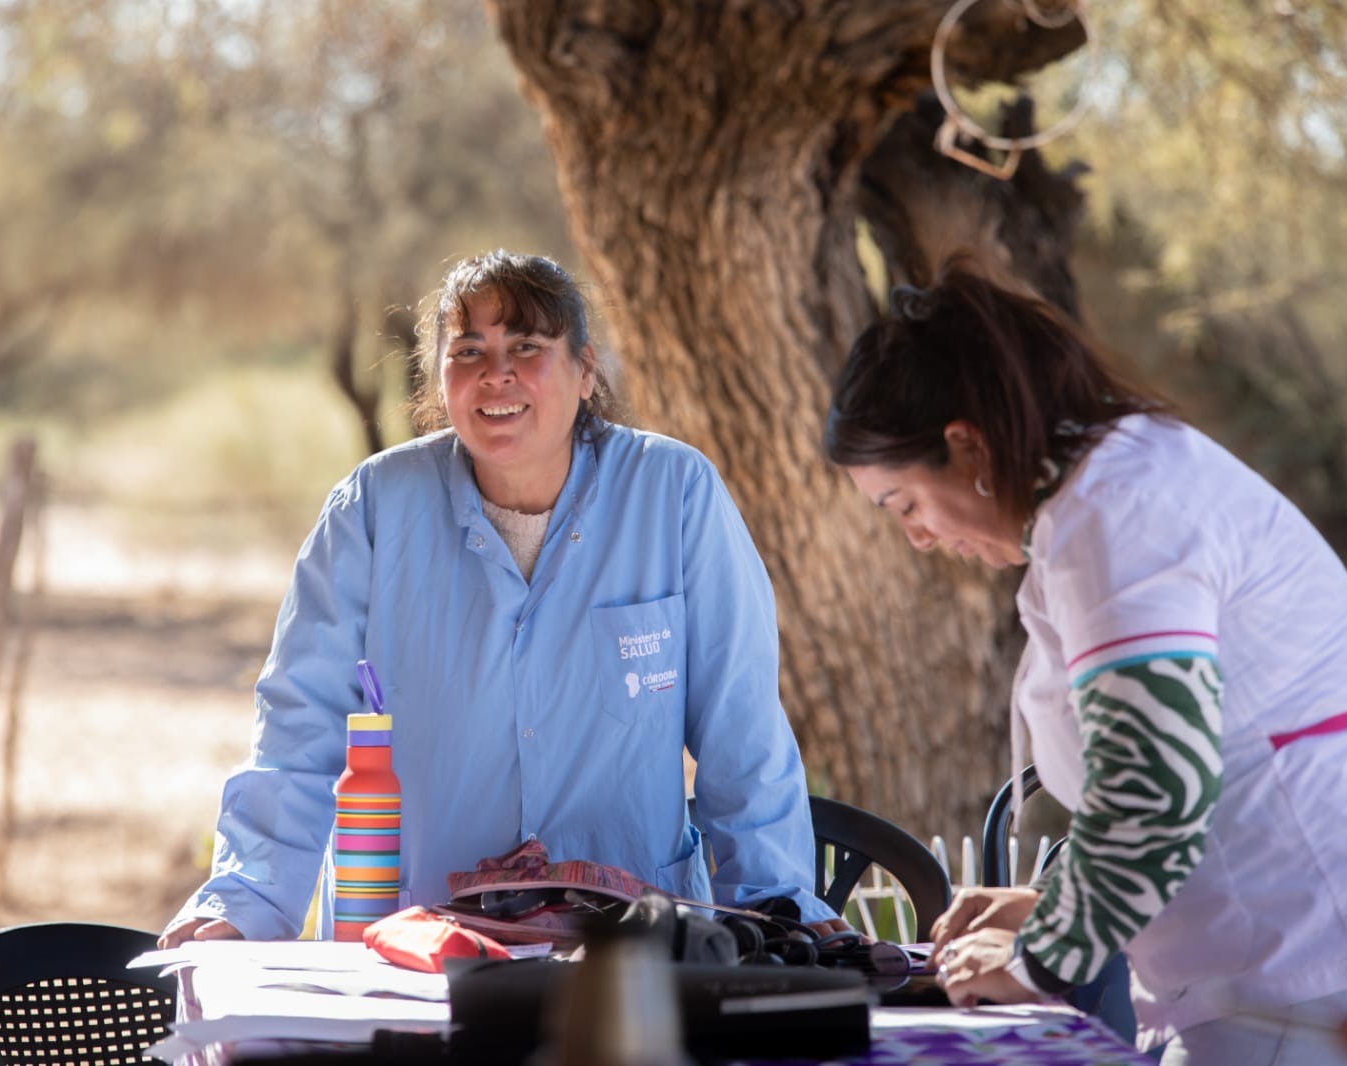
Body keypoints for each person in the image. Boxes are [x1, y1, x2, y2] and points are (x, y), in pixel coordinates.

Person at [162, 250, 842, 949]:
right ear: (440, 379)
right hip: (418, 941)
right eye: (468, 350)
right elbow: (298, 733)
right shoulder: (372, 509)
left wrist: (781, 914)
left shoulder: (674, 493)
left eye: (526, 345)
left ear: (586, 371)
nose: (497, 373)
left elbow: (743, 732)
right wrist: (242, 904)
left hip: (636, 942)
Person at [823, 257, 1347, 1063]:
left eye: (905, 504)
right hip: (1279, 962)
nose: (917, 537)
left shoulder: (1119, 515)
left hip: (1301, 973)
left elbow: (1156, 793)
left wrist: (1038, 958)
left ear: (966, 447)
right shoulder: (1115, 490)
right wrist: (1053, 902)